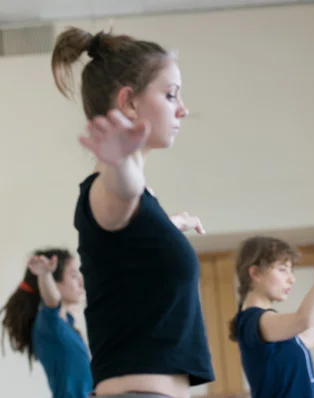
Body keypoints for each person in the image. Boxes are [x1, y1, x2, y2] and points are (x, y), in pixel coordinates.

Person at [51, 26, 214, 397]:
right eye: (171, 94)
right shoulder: (110, 186)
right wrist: (121, 161)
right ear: (129, 103)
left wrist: (172, 227)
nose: (183, 109)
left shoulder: (135, 200)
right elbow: (122, 192)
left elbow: (125, 241)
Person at [228, 221, 314, 398]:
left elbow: (306, 339)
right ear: (256, 273)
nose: (291, 279)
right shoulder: (252, 321)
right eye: (283, 270)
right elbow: (303, 320)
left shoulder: (271, 325)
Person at [1, 249, 92, 397]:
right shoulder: (48, 323)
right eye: (74, 276)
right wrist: (45, 274)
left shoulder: (66, 325)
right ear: (53, 284)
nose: (81, 282)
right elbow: (52, 301)